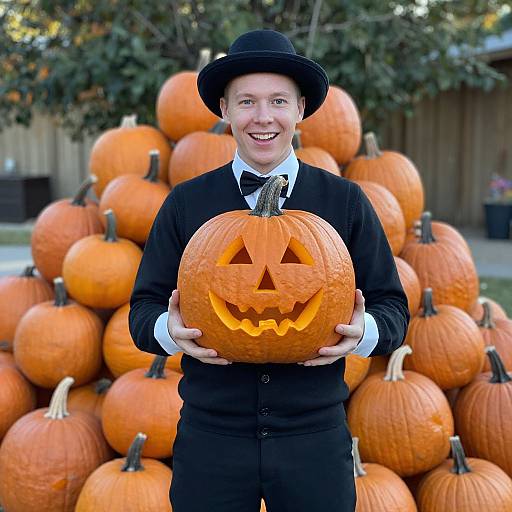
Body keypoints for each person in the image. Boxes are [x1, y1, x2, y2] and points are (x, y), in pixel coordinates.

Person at [129, 29, 409, 512]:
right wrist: (168, 331)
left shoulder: (343, 202)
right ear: (224, 110)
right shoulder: (186, 203)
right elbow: (142, 310)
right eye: (247, 102)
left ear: (300, 110)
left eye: (278, 101)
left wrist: (361, 332)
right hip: (211, 439)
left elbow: (393, 309)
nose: (263, 118)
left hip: (314, 440)